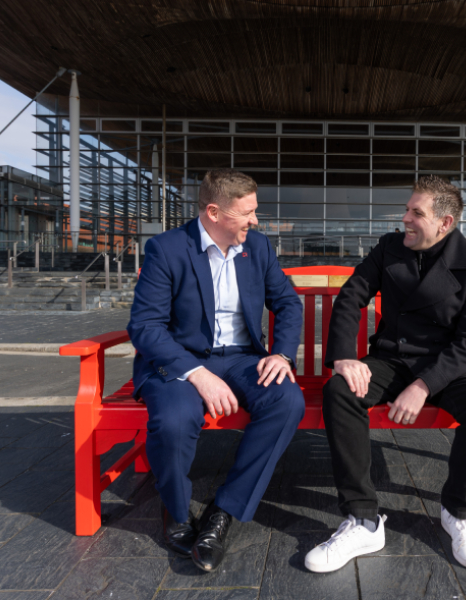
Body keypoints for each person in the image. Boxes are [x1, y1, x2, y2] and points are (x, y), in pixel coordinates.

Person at [305, 175, 466, 573]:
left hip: (448, 366)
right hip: (392, 358)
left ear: (444, 223)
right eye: (407, 210)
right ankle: (363, 519)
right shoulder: (388, 248)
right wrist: (344, 357)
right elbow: (350, 297)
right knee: (340, 390)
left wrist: (423, 385)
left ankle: (457, 512)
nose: (405, 219)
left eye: (417, 213)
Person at [128, 169, 305, 572]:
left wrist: (281, 355)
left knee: (286, 400)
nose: (255, 220)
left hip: (243, 358)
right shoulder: (167, 249)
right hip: (182, 360)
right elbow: (145, 326)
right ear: (213, 212)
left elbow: (289, 304)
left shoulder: (257, 248)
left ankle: (223, 511)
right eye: (247, 212)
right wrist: (196, 373)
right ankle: (175, 511)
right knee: (174, 420)